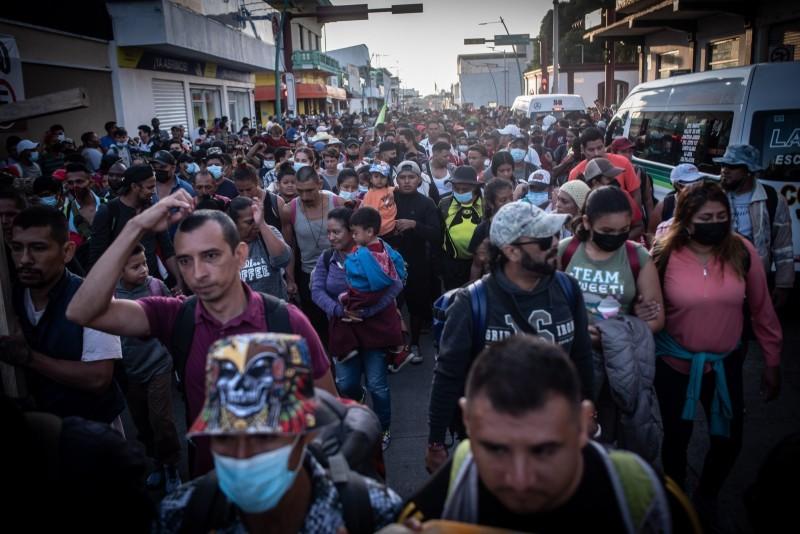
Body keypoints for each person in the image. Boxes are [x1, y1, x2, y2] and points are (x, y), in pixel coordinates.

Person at [65, 194, 336, 476]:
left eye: (211, 256)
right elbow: (82, 311)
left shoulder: (285, 321)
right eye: (185, 260)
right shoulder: (175, 316)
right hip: (212, 486)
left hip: (285, 486)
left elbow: (329, 416)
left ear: (240, 255)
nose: (198, 273)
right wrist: (136, 226)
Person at [403, 335, 697, 533]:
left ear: (582, 424)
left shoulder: (647, 499)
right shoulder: (455, 487)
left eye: (543, 451)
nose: (520, 480)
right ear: (468, 421)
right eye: (496, 449)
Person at [157, 333, 402, 532]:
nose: (242, 456)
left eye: (264, 436)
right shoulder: (180, 515)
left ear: (306, 433)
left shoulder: (372, 510)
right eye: (225, 437)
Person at [426, 201, 593, 473]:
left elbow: (582, 357)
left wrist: (589, 411)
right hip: (493, 443)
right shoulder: (472, 302)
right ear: (511, 251)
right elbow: (448, 374)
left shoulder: (568, 288)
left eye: (555, 234)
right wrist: (436, 442)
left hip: (557, 437)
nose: (555, 243)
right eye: (543, 240)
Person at [651, 181, 781, 525]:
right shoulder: (664, 254)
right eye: (706, 218)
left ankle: (707, 493)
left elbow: (762, 310)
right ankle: (676, 501)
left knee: (729, 440)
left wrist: (772, 360)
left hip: (725, 363)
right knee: (676, 439)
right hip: (673, 364)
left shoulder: (742, 251)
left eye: (721, 216)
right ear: (686, 220)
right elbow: (647, 304)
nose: (716, 223)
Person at [3, 206, 126, 427]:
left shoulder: (94, 297)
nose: (24, 260)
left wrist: (30, 358)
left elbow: (98, 377)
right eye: (17, 248)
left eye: (38, 248)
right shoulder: (11, 298)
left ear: (67, 251)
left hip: (94, 428)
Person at [312, 208, 405, 449]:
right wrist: (339, 311)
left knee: (378, 385)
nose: (331, 237)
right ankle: (357, 404)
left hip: (374, 331)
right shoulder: (327, 259)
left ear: (354, 232)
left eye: (336, 232)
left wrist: (367, 312)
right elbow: (317, 291)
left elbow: (396, 285)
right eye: (328, 232)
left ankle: (382, 428)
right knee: (345, 384)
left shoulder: (378, 252)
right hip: (343, 333)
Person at [115, 243, 182, 492]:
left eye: (144, 263)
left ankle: (172, 465)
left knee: (161, 421)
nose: (143, 269)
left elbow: (172, 318)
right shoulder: (112, 293)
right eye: (135, 266)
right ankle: (157, 461)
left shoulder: (155, 286)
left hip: (159, 364)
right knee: (142, 422)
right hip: (131, 369)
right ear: (119, 270)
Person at [715, 144, 794, 308]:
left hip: (756, 280)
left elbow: (783, 245)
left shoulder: (772, 199)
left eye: (733, 166)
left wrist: (783, 284)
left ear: (749, 171)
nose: (724, 170)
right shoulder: (714, 196)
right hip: (718, 279)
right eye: (723, 164)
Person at [281, 166, 345, 343]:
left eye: (309, 190)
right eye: (300, 191)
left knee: (343, 323)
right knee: (318, 329)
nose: (304, 196)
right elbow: (289, 247)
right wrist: (290, 279)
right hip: (308, 276)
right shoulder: (289, 210)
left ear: (320, 184)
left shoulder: (337, 203)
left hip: (339, 273)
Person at [89, 164, 181, 284]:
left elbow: (167, 249)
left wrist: (179, 281)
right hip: (120, 287)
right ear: (134, 187)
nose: (153, 192)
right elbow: (97, 257)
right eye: (150, 187)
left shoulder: (153, 210)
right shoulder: (108, 211)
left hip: (153, 283)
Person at [390, 161, 443, 364]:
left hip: (418, 260)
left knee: (416, 305)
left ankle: (414, 344)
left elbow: (436, 234)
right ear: (396, 179)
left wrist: (414, 225)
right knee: (391, 304)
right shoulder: (389, 199)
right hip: (390, 261)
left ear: (419, 180)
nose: (406, 181)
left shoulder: (427, 203)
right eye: (402, 177)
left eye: (411, 177)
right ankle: (394, 346)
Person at [228, 196, 291, 300]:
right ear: (233, 223)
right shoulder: (226, 244)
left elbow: (283, 260)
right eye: (249, 222)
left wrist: (262, 224)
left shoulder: (268, 232)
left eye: (256, 219)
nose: (255, 225)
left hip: (273, 307)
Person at [568, 128, 641, 207]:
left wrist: (630, 214)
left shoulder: (623, 163)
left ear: (604, 144)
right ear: (583, 149)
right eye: (591, 150)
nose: (597, 153)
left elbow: (636, 194)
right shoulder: (575, 174)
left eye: (600, 148)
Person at [439, 166, 484, 290]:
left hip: (479, 264)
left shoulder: (486, 205)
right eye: (456, 188)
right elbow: (439, 233)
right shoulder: (444, 203)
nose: (460, 192)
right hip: (452, 264)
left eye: (465, 190)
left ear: (475, 188)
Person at [467, 178, 513, 281]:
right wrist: (472, 288)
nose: (509, 203)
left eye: (511, 197)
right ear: (491, 203)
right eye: (502, 200)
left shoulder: (522, 225)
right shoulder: (482, 230)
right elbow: (477, 266)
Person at [647, 163, 705, 238]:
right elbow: (651, 233)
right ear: (678, 185)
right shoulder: (664, 205)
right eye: (691, 183)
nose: (696, 186)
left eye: (698, 181)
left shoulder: (707, 203)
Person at [361, 162, 397, 237]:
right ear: (371, 179)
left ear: (387, 179)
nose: (379, 179)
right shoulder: (369, 195)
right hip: (380, 230)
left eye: (383, 177)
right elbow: (369, 214)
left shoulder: (388, 189)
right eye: (376, 176)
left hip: (392, 227)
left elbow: (393, 188)